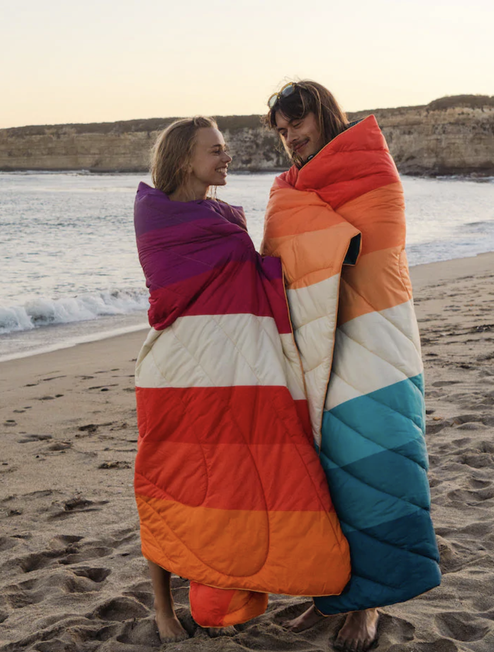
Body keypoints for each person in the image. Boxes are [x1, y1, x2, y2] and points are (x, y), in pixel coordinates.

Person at [133, 116, 351, 643]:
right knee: (166, 477)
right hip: (178, 368)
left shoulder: (222, 213)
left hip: (236, 368)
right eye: (216, 150)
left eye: (226, 148)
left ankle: (285, 581)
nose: (227, 156)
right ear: (186, 158)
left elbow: (250, 271)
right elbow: (171, 293)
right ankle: (161, 610)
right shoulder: (157, 216)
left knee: (250, 476)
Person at [261, 81, 442, 652]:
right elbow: (278, 256)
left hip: (376, 339)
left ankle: (371, 607)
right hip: (319, 346)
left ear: (322, 113)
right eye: (283, 133)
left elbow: (374, 244)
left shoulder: (373, 173)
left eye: (298, 125)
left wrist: (314, 230)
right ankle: (329, 596)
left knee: (379, 470)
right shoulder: (290, 188)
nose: (292, 140)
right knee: (326, 475)